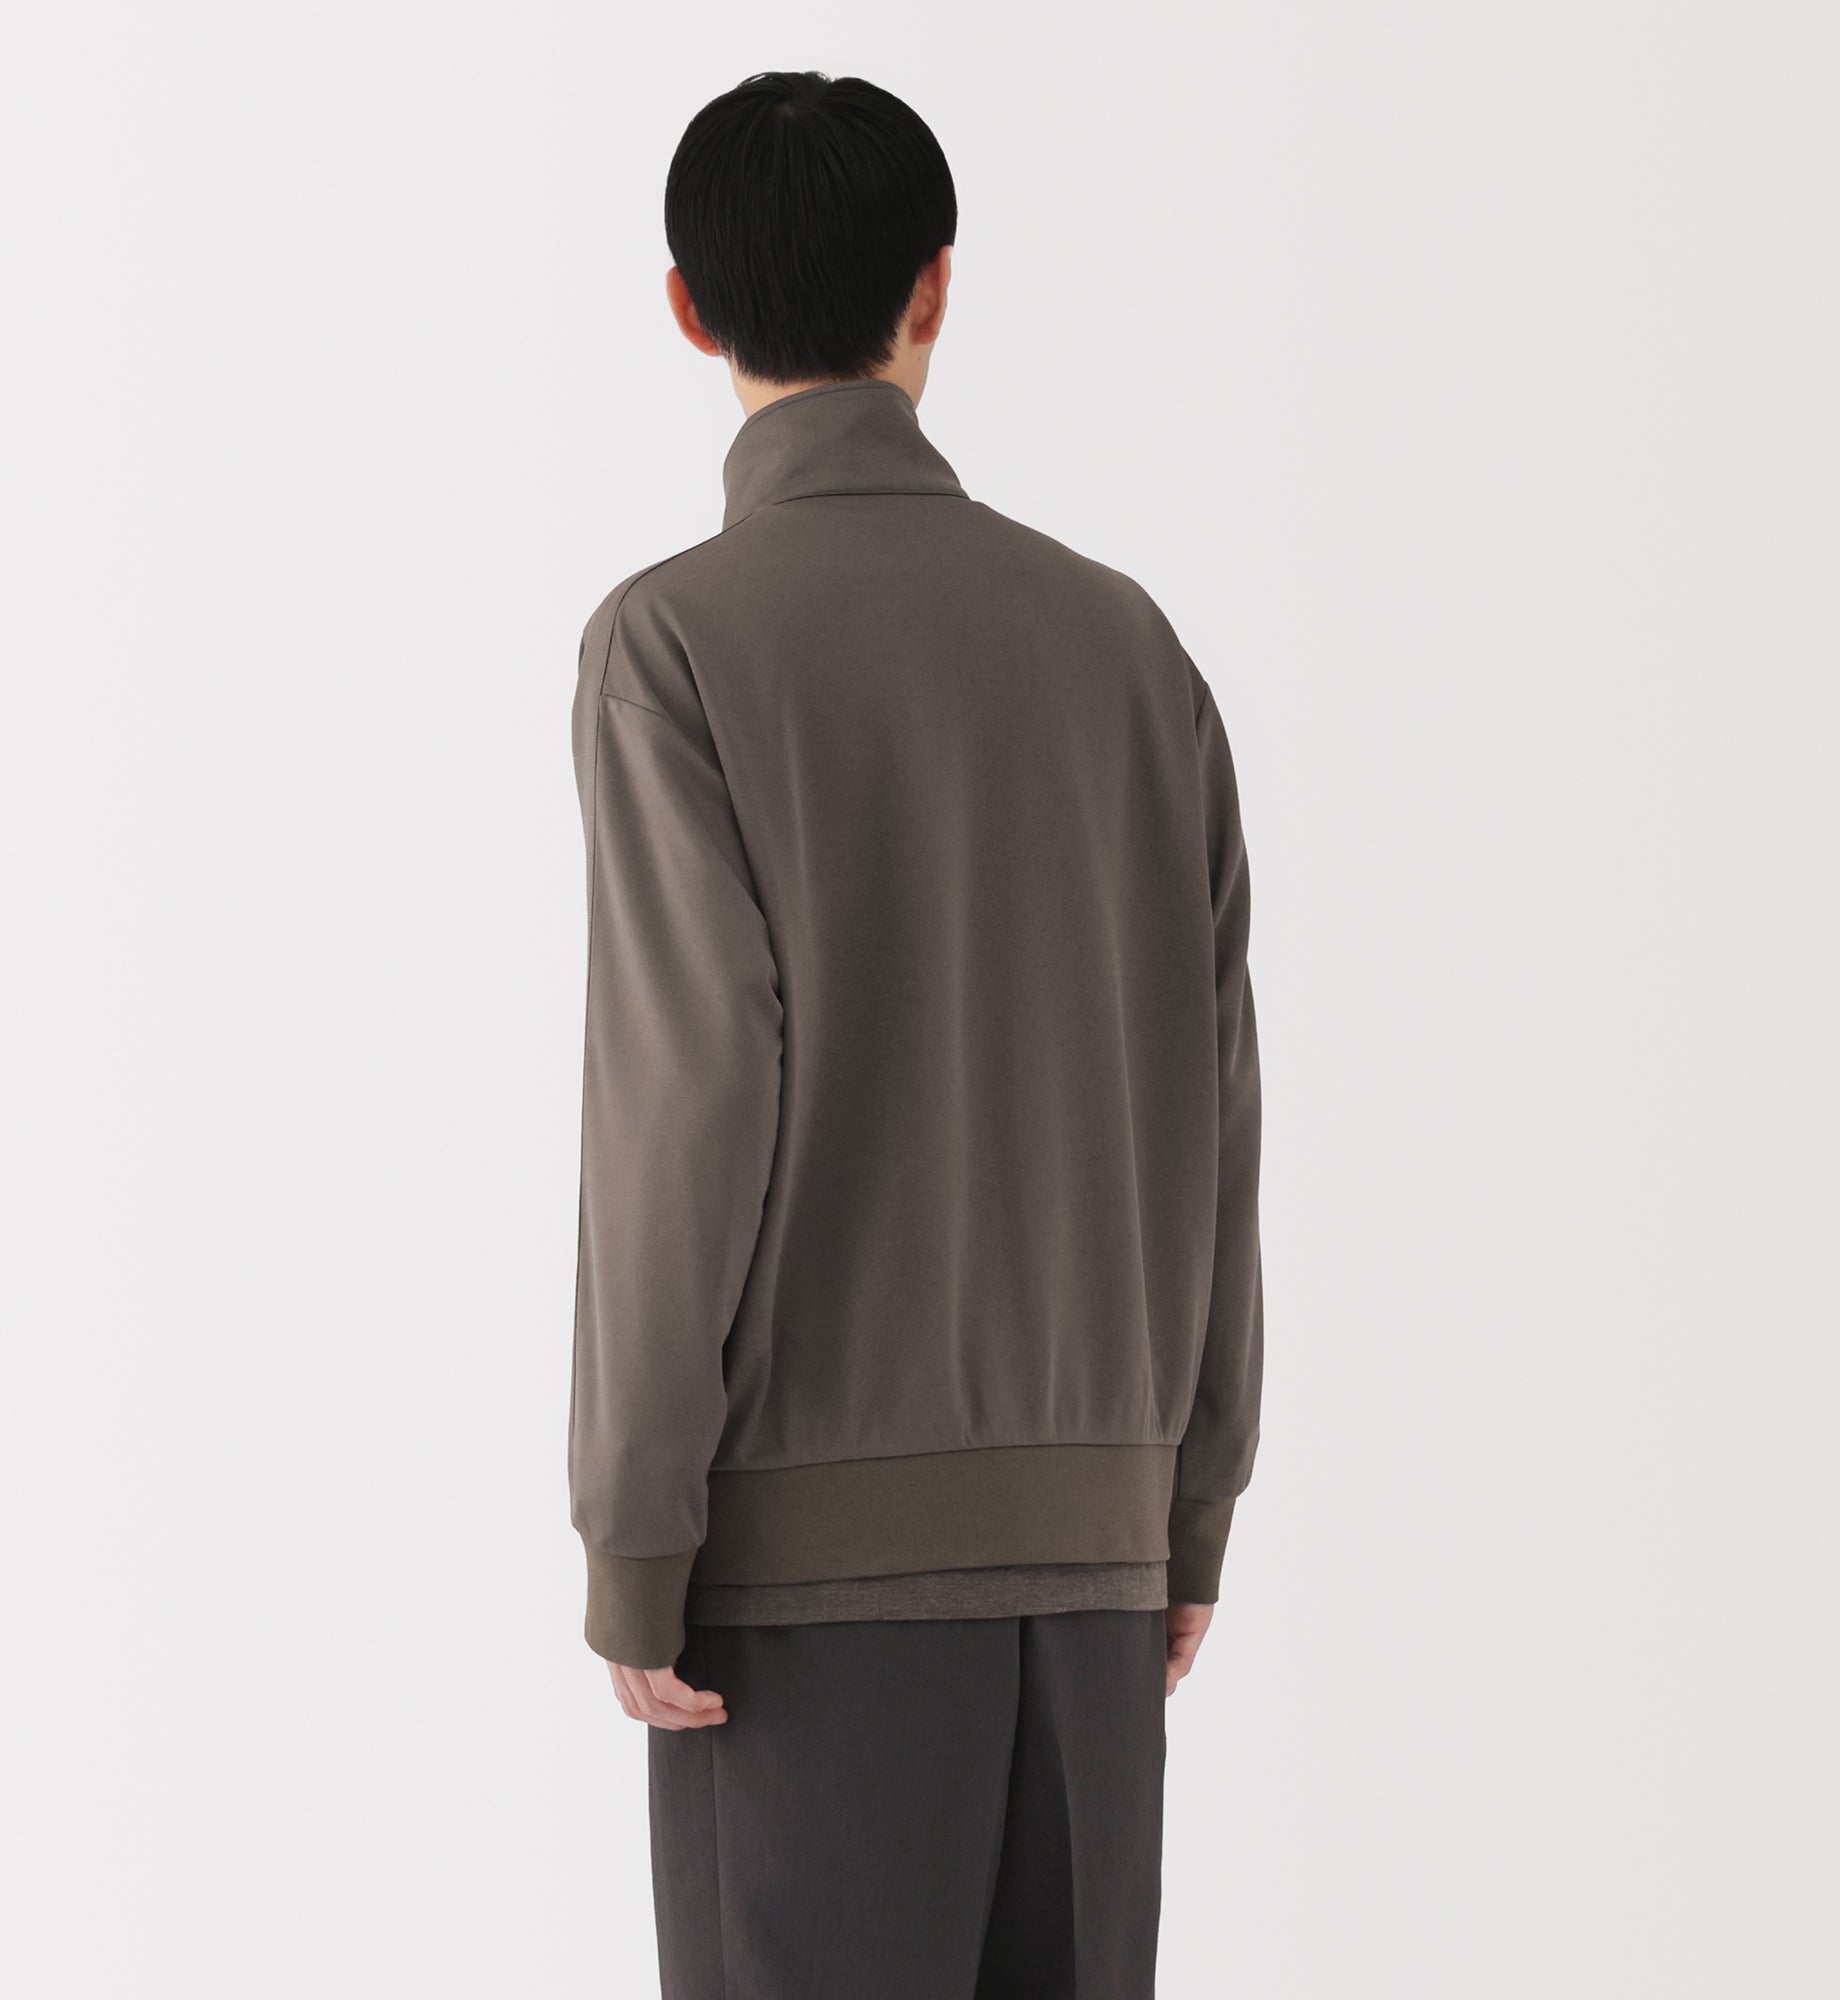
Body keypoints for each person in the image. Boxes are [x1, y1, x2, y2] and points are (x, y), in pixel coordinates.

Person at [568, 70, 1263, 1998]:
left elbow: (687, 1105)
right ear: (935, 288)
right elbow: (1216, 1101)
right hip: (1100, 1566)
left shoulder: (677, 646)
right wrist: (1187, 1503)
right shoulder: (1129, 647)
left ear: (689, 306)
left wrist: (636, 1539)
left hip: (804, 1605)